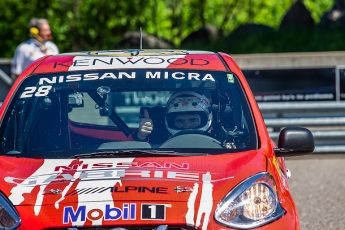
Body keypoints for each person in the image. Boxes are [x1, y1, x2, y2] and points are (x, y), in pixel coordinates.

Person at [135, 91, 213, 142]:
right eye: (180, 121)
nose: (187, 126)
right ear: (170, 121)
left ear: (205, 119)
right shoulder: (157, 143)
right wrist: (141, 137)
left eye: (193, 120)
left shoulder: (219, 140)